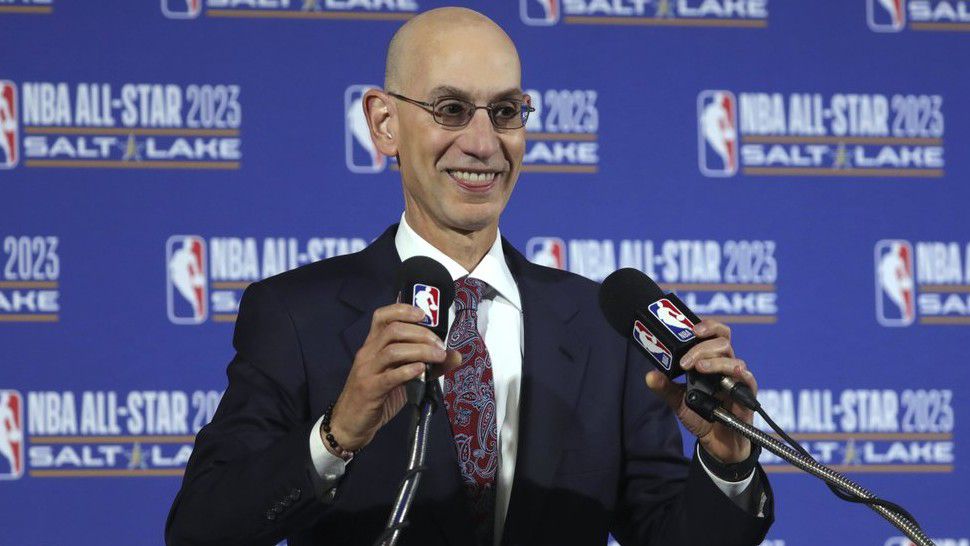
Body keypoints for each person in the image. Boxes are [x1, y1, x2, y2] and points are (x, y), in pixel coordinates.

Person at [165, 7, 773, 545]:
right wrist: (337, 434)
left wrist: (727, 460)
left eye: (506, 111)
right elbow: (201, 528)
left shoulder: (601, 328)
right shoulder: (297, 315)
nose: (483, 142)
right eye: (450, 109)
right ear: (383, 123)